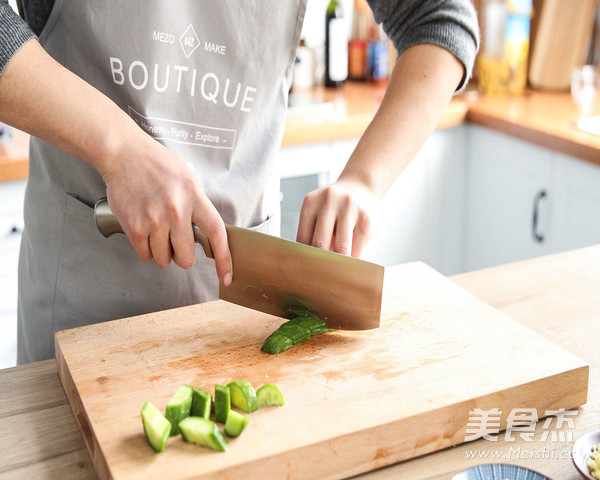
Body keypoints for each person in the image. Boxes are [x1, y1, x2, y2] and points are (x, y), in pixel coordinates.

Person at [0, 0, 479, 364]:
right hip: (84, 302)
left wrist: (363, 181)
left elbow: (441, 19)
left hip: (243, 315)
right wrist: (117, 147)